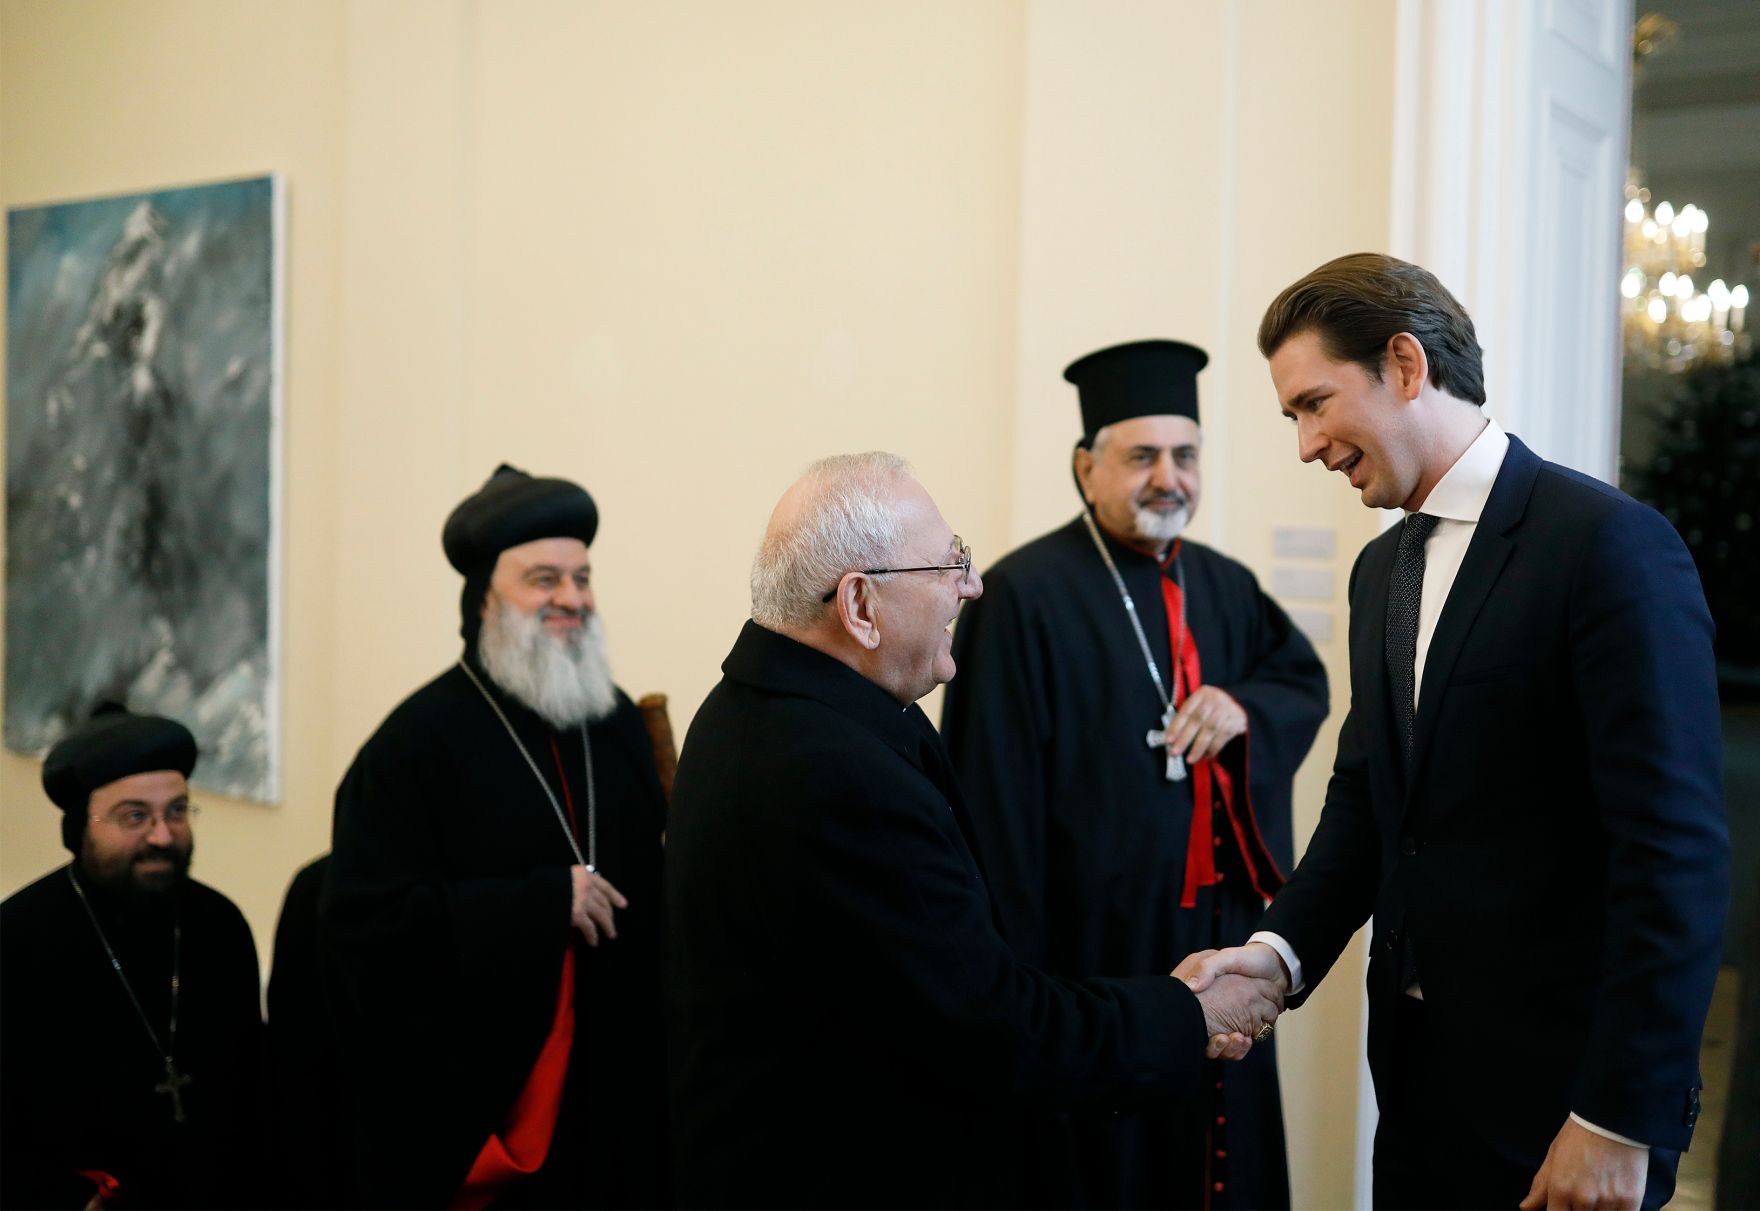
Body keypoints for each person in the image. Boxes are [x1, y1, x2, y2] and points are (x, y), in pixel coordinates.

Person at [1190, 252, 1729, 1209]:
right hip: (1416, 1088)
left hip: (1568, 1102)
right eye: (1293, 418)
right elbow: (1368, 806)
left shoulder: (1604, 544)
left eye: (1315, 403)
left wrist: (1617, 1116)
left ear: (1404, 365)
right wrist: (1273, 956)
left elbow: (1672, 852)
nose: (1308, 445)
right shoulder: (1379, 572)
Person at [664, 452, 1285, 1209]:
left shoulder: (773, 705)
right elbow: (989, 1030)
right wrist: (1187, 1014)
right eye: (949, 563)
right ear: (860, 605)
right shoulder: (832, 770)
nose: (972, 584)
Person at [941, 339, 1329, 1208]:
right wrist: (1024, 985)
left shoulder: (1227, 586)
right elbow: (992, 809)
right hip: (1093, 966)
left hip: (1218, 950)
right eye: (1143, 455)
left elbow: (1299, 681)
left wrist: (1244, 709)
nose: (1169, 478)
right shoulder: (1020, 598)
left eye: (1185, 456)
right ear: (1088, 467)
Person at [321, 465, 668, 1209]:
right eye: (544, 579)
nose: (572, 598)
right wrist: (538, 905)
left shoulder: (614, 724)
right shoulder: (411, 747)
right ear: (484, 597)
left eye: (582, 577)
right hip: (481, 1131)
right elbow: (362, 933)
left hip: (617, 1117)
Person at [0, 705, 264, 1210]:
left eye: (178, 811)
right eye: (134, 816)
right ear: (80, 828)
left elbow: (253, 1099)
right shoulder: (17, 939)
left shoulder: (221, 926)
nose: (162, 836)